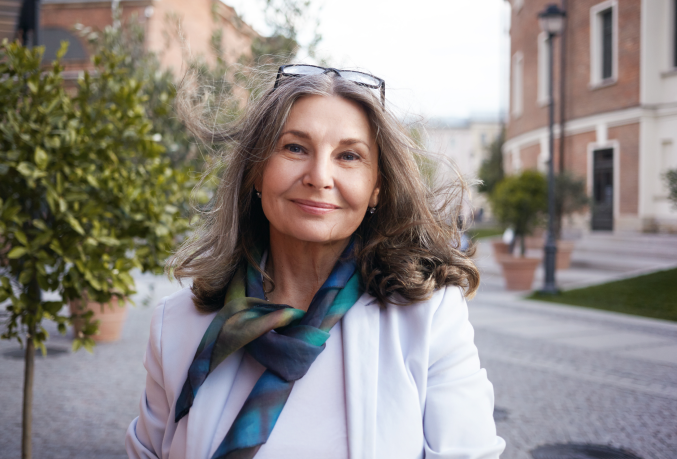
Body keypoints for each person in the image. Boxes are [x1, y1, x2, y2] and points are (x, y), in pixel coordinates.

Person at [126, 64, 506, 459]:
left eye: (348, 155)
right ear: (257, 172)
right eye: (295, 148)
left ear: (377, 188)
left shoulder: (429, 320)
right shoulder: (176, 325)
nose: (319, 176)